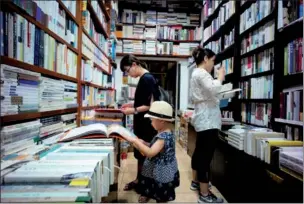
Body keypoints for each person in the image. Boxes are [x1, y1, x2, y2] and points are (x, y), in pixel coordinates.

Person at [121, 101, 180, 203]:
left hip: (162, 173)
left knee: (161, 194)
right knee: (156, 189)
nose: (151, 123)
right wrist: (144, 142)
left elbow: (150, 153)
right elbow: (155, 147)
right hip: (163, 168)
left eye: (152, 120)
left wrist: (135, 141)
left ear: (161, 121)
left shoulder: (162, 137)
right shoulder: (165, 132)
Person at [120, 54, 160, 192]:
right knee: (140, 155)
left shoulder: (147, 79)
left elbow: (151, 106)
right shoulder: (144, 78)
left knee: (146, 155)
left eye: (127, 70)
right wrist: (130, 104)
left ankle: (147, 187)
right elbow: (142, 101)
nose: (128, 74)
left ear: (134, 65)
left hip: (147, 124)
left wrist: (132, 110)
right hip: (142, 123)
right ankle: (139, 180)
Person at [189, 47, 225, 203]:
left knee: (199, 153)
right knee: (205, 157)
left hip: (203, 118)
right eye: (212, 60)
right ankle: (204, 195)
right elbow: (213, 88)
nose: (213, 64)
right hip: (208, 120)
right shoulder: (202, 73)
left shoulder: (196, 73)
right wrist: (220, 77)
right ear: (205, 58)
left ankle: (196, 182)